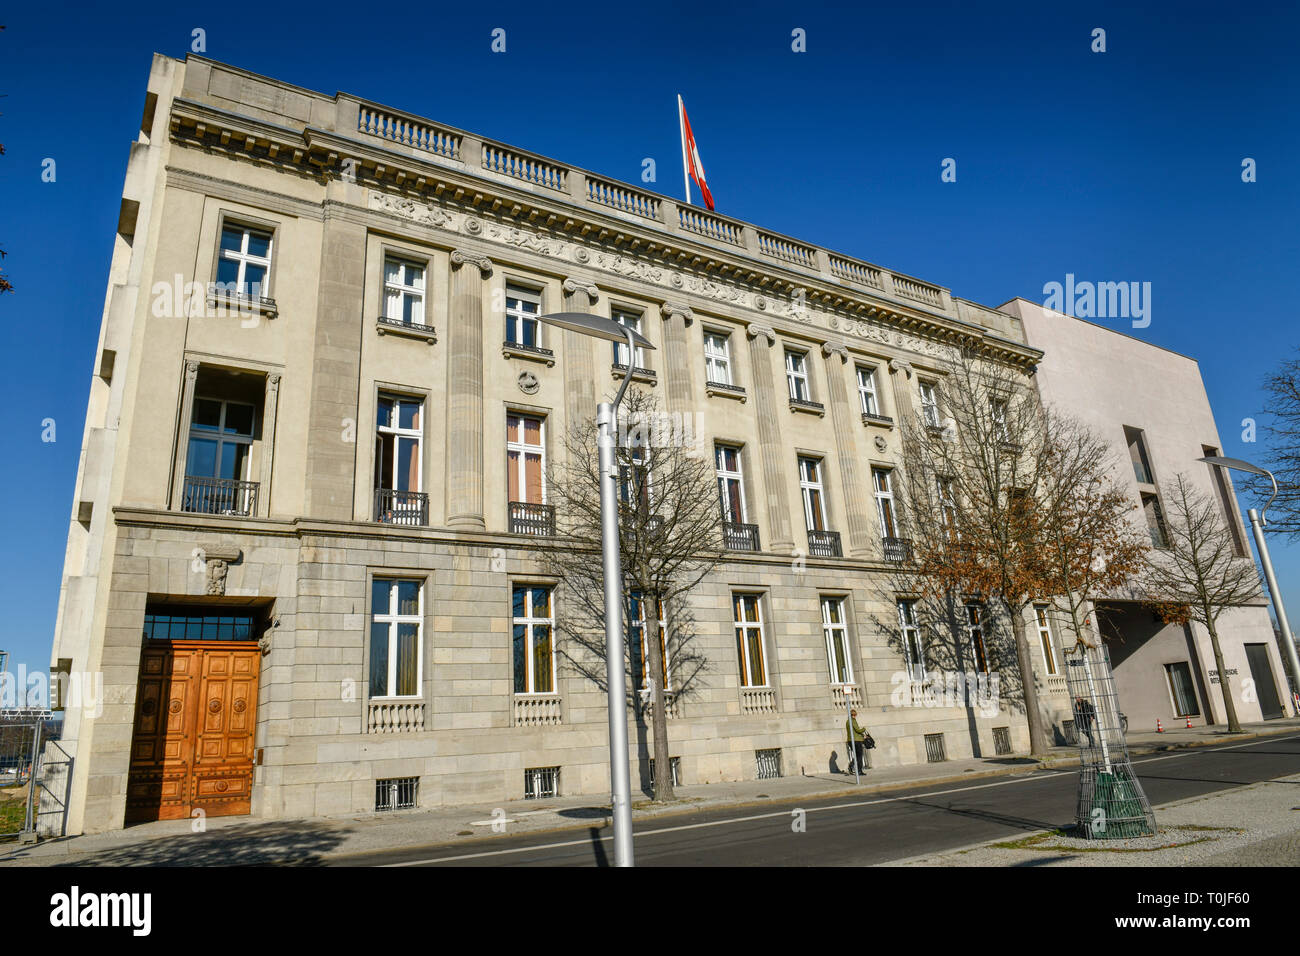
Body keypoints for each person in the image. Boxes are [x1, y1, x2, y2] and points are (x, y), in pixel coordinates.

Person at [846, 709, 870, 774]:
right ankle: (859, 770)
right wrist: (864, 728)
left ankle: (851, 766)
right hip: (856, 740)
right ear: (851, 715)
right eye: (853, 715)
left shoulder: (848, 721)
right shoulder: (852, 721)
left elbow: (854, 732)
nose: (855, 716)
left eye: (855, 715)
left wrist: (862, 736)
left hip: (851, 740)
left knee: (857, 755)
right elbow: (858, 730)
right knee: (859, 755)